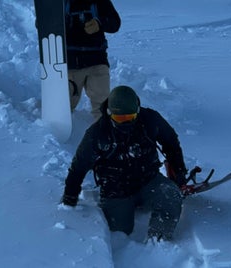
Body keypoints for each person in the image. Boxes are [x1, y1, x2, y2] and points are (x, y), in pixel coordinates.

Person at [60, 85, 188, 242]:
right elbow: (78, 167)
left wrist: (179, 172)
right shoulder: (98, 133)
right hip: (116, 190)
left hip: (148, 181)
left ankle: (158, 241)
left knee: (171, 195)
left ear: (137, 111)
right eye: (120, 118)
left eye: (130, 117)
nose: (125, 122)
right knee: (121, 232)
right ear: (110, 113)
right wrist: (69, 197)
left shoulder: (150, 120)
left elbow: (171, 142)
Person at [65, 0, 121, 120]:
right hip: (71, 65)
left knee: (103, 108)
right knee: (64, 106)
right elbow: (44, 22)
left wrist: (99, 23)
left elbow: (115, 23)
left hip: (97, 62)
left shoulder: (99, 2)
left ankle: (105, 135)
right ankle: (53, 136)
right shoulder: (59, 3)